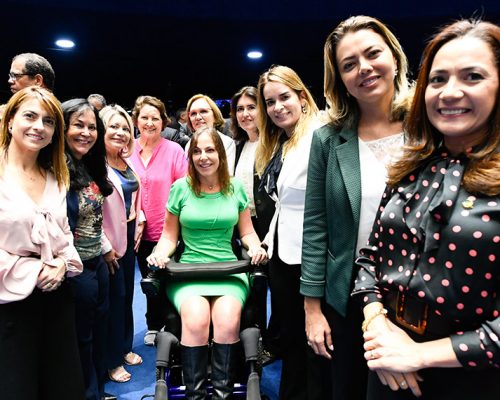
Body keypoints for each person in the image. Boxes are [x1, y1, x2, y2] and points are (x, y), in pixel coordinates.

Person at [351, 19, 500, 399]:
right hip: (387, 363)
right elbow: (370, 259)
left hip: (472, 377)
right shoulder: (409, 166)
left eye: (472, 77)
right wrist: (378, 328)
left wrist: (419, 355)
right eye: (438, 80)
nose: (450, 92)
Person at [300, 15, 413, 400]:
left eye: (372, 54)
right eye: (349, 64)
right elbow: (316, 227)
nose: (363, 68)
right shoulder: (327, 140)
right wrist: (312, 310)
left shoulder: (429, 127)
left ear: (394, 58)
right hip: (346, 296)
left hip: (419, 294)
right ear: (340, 79)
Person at [147, 126, 267, 399]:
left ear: (220, 155)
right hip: (189, 271)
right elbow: (168, 237)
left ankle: (222, 394)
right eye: (197, 151)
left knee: (226, 320)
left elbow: (246, 232)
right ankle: (196, 396)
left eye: (210, 150)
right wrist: (160, 253)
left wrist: (256, 246)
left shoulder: (235, 187)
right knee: (197, 319)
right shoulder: (180, 189)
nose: (203, 157)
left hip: (228, 270)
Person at [0, 87, 84, 399]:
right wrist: (33, 269)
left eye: (48, 122)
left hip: (56, 300)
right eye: (30, 116)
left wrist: (63, 262)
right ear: (10, 121)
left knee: (63, 387)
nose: (39, 127)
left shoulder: (55, 176)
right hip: (10, 304)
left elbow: (64, 238)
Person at [255, 64, 324, 400]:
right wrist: (268, 239)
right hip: (281, 250)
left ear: (302, 97)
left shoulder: (320, 132)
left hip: (312, 252)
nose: (278, 107)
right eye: (270, 102)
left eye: (284, 97)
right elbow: (282, 203)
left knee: (315, 340)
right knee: (293, 337)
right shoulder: (280, 141)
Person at [63, 98, 114, 400]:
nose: (85, 133)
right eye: (78, 125)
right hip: (75, 268)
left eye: (92, 127)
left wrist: (106, 248)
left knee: (98, 329)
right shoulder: (56, 169)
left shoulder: (88, 164)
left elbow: (94, 216)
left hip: (97, 260)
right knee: (81, 336)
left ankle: (98, 390)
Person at [129, 95, 188, 346]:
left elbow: (185, 188)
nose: (150, 123)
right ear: (136, 120)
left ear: (163, 122)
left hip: (169, 230)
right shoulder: (126, 149)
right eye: (144, 117)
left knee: (171, 279)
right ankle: (153, 323)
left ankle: (173, 323)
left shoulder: (174, 150)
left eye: (155, 118)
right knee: (148, 279)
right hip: (137, 230)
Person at [100, 105, 145, 382]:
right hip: (108, 240)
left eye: (125, 128)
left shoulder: (124, 161)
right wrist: (106, 245)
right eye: (113, 127)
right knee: (112, 299)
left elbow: (134, 196)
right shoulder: (95, 165)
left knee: (127, 294)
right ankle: (111, 359)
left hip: (129, 234)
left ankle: (124, 346)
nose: (120, 132)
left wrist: (138, 219)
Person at [185, 94, 236, 175]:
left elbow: (227, 178)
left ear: (215, 115)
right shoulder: (189, 145)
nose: (198, 117)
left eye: (203, 111)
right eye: (193, 113)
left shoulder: (227, 143)